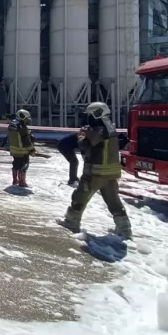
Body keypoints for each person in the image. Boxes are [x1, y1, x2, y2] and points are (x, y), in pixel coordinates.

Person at [60, 102, 131, 238]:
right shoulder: (110, 126)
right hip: (111, 173)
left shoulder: (98, 128)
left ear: (96, 113)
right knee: (114, 201)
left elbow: (86, 145)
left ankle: (71, 222)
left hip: (96, 173)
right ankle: (124, 229)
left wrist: (81, 136)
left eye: (89, 114)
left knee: (80, 197)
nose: (88, 118)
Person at [58, 129, 130, 186]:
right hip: (63, 146)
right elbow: (84, 150)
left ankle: (74, 178)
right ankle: (72, 179)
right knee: (74, 162)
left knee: (75, 162)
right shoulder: (84, 138)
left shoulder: (87, 136)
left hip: (67, 145)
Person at [7, 109, 37, 187]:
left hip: (14, 150)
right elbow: (26, 140)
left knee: (15, 164)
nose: (27, 121)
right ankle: (22, 182)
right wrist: (32, 150)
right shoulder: (21, 126)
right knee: (24, 165)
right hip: (22, 151)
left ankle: (15, 180)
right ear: (22, 117)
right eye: (26, 119)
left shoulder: (12, 124)